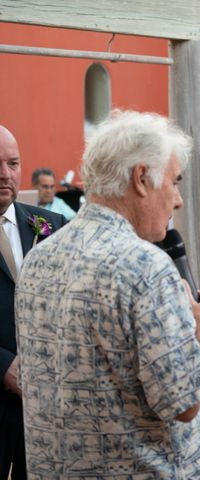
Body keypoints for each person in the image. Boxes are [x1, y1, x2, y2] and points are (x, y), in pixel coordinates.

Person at [14, 111, 200, 479]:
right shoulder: (146, 267)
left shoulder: (38, 259)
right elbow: (184, 403)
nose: (178, 200)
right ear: (141, 178)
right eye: (174, 182)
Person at [0, 125, 66, 480]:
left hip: (43, 402)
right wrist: (4, 365)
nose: (4, 174)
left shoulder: (49, 225)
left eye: (13, 163)